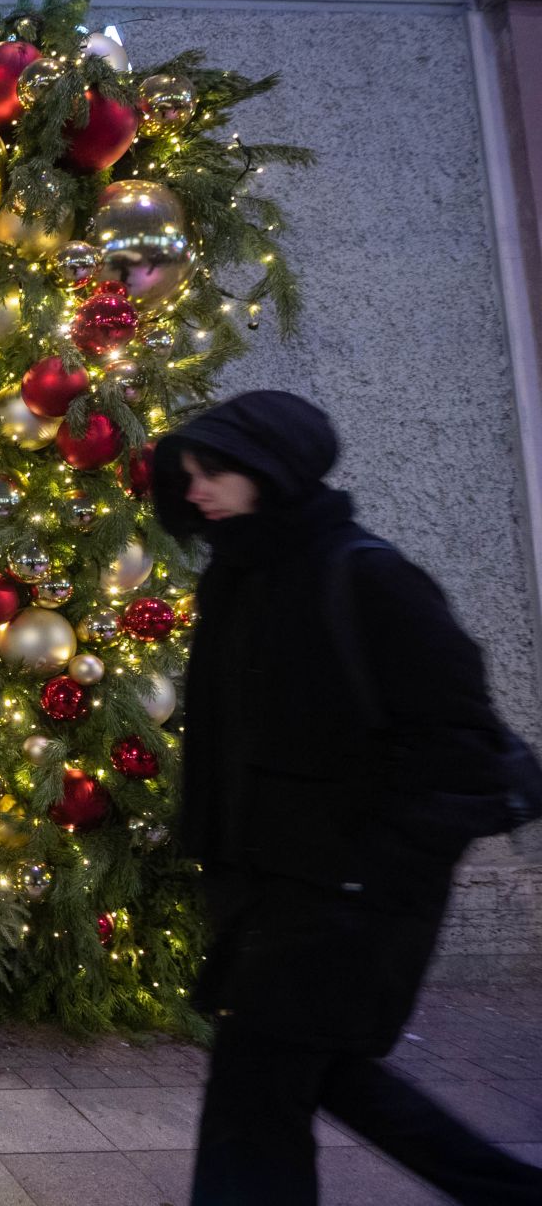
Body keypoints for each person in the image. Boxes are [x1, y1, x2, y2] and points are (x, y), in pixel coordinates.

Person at [151, 390, 542, 1205]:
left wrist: (372, 859)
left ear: (273, 467)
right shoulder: (239, 578)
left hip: (342, 899)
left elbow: (464, 748)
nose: (196, 490)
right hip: (267, 892)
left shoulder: (365, 576)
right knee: (326, 1076)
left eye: (213, 470)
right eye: (188, 474)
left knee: (251, 1113)